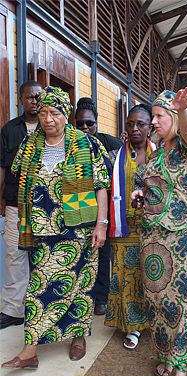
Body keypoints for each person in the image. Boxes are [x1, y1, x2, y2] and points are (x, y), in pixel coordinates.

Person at [2, 86, 111, 369]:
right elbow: (16, 173)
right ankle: (31, 349)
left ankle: (76, 337)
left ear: (66, 114)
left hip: (80, 229)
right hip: (41, 231)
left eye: (54, 113)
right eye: (43, 113)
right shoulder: (30, 144)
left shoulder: (86, 144)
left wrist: (101, 224)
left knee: (81, 285)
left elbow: (101, 187)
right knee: (39, 288)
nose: (48, 119)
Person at [132, 87, 187, 376]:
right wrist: (140, 197)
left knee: (182, 303)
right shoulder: (155, 152)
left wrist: (184, 110)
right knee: (158, 301)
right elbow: (152, 190)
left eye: (160, 116)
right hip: (153, 238)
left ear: (173, 117)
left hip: (184, 238)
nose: (155, 121)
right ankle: (165, 355)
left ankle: (182, 372)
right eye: (155, 116)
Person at [105, 105, 155, 349]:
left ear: (150, 127)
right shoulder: (115, 156)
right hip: (124, 226)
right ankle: (133, 326)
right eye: (130, 123)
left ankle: (154, 321)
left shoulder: (160, 156)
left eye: (141, 124)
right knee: (127, 276)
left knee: (151, 275)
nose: (134, 128)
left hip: (153, 228)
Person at [0, 80, 42, 330]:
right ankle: (13, 310)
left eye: (38, 96)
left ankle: (39, 305)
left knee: (42, 254)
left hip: (44, 205)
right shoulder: (10, 130)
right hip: (16, 202)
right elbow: (3, 167)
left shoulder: (52, 124)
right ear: (21, 100)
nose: (34, 101)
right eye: (29, 97)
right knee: (15, 255)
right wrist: (2, 201)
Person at [75, 97, 122, 315]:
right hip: (77, 208)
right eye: (80, 124)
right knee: (80, 255)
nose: (85, 128)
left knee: (102, 254)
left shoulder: (111, 144)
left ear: (97, 122)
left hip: (104, 207)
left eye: (89, 123)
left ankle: (101, 298)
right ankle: (81, 296)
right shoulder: (70, 143)